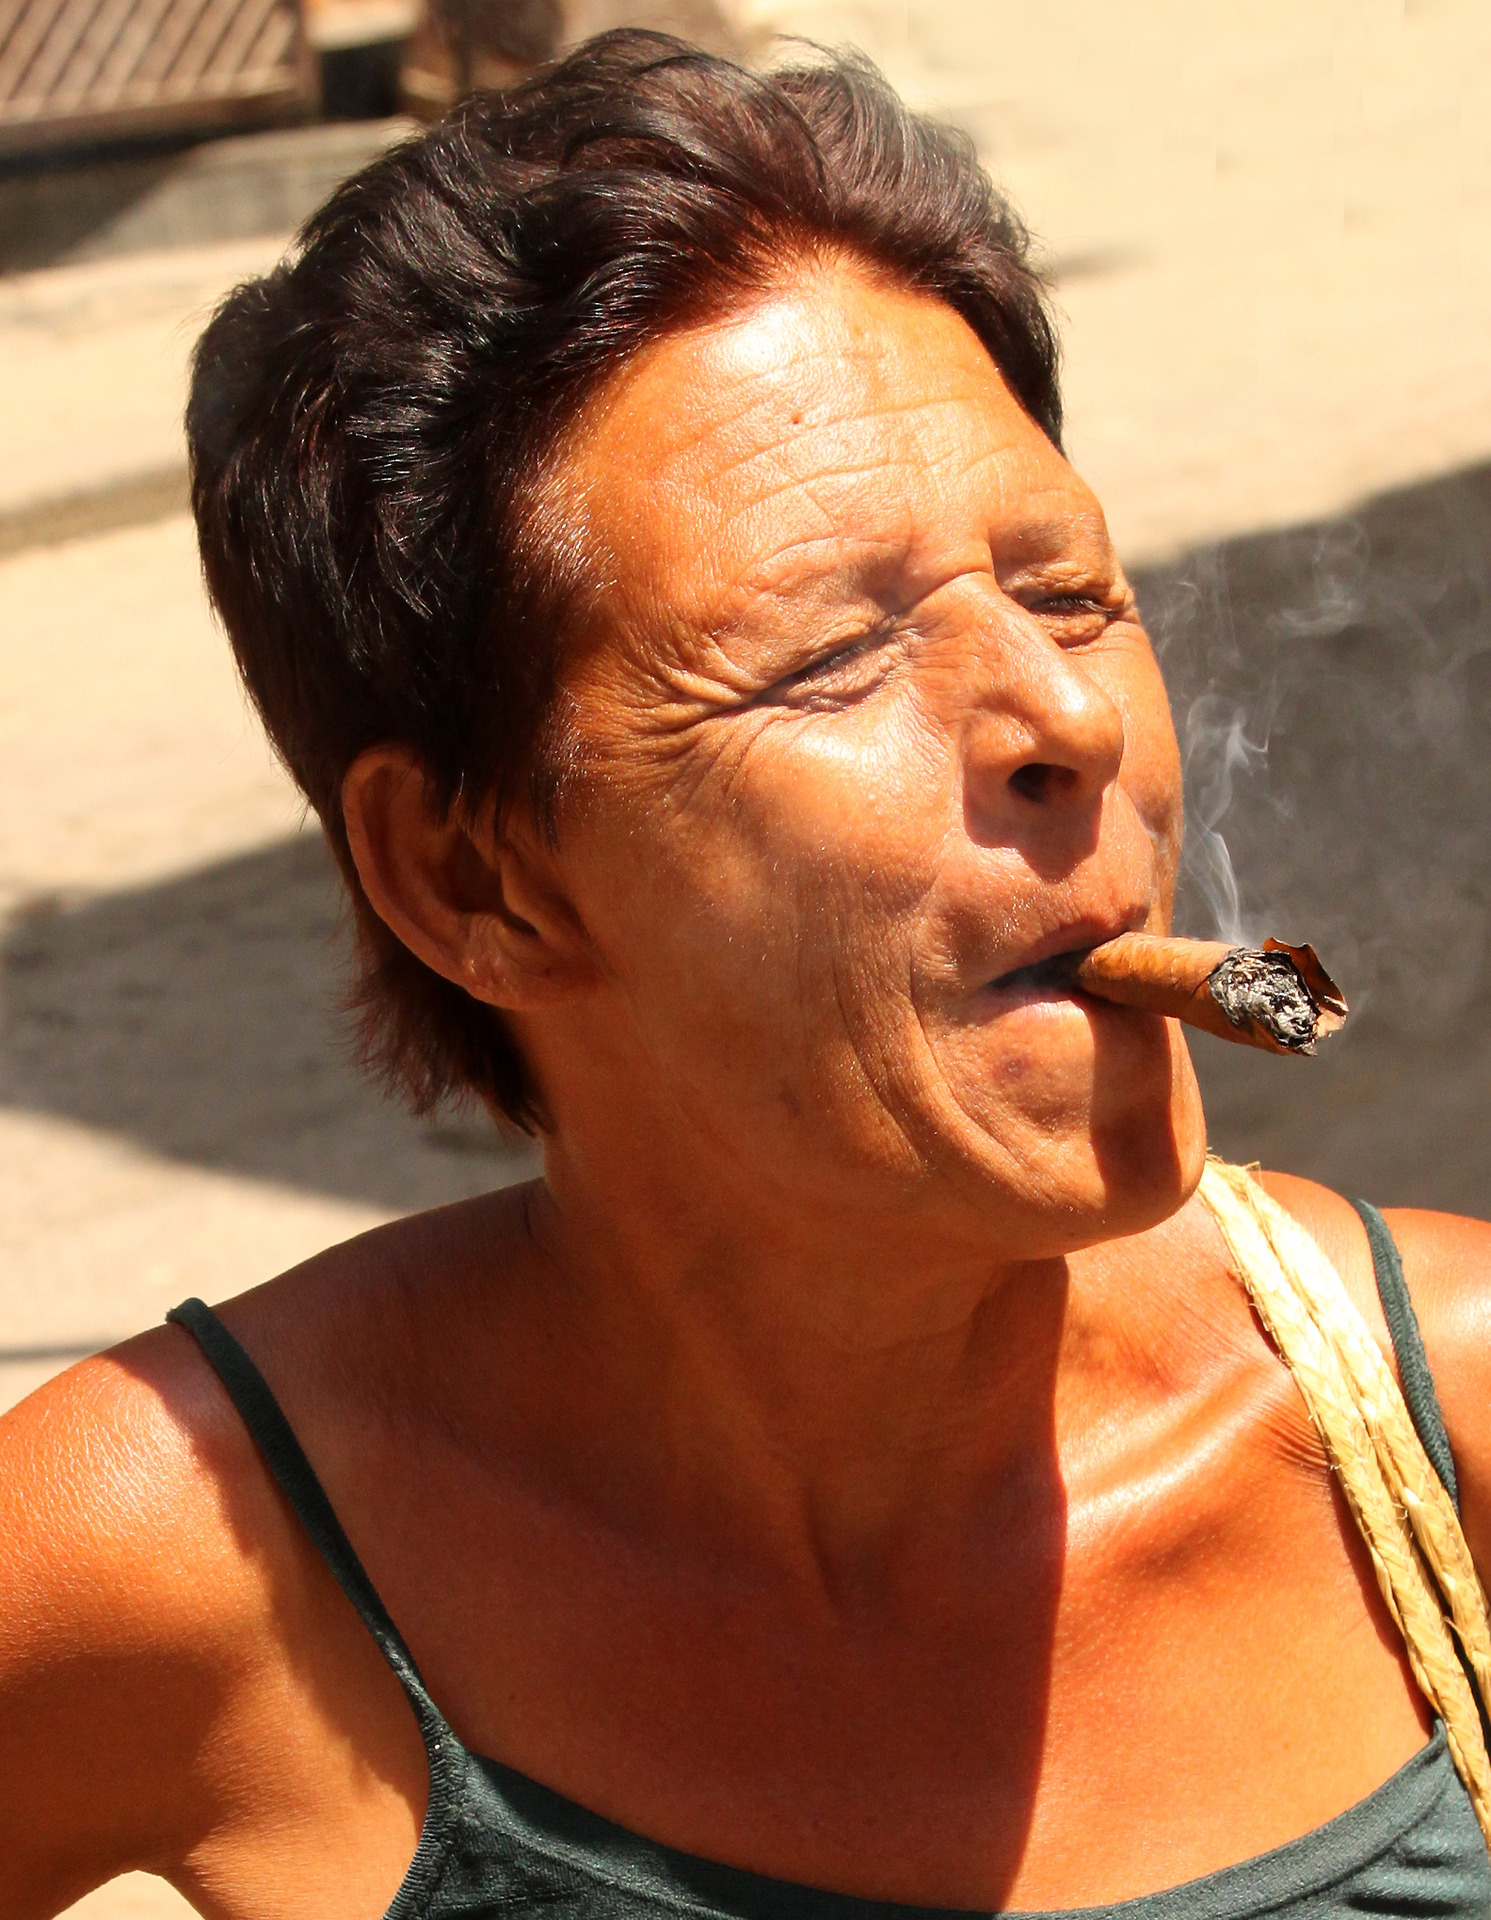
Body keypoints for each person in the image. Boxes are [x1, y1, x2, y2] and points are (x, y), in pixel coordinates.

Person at [2, 30, 1489, 1920]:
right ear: (475, 878)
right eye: (831, 660)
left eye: (1069, 594)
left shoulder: (1440, 1435)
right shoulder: (184, 1560)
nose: (1067, 721)